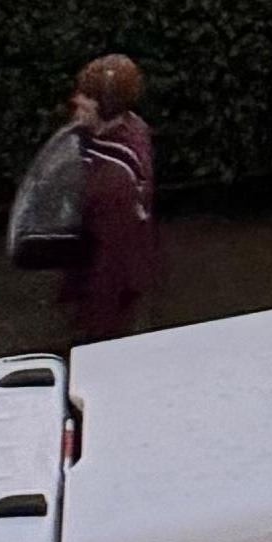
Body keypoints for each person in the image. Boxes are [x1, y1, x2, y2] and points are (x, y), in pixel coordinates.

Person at [55, 52, 160, 342]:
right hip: (132, 272)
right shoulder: (133, 127)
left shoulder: (112, 179)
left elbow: (110, 259)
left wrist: (94, 324)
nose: (76, 100)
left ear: (106, 106)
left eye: (87, 96)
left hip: (109, 289)